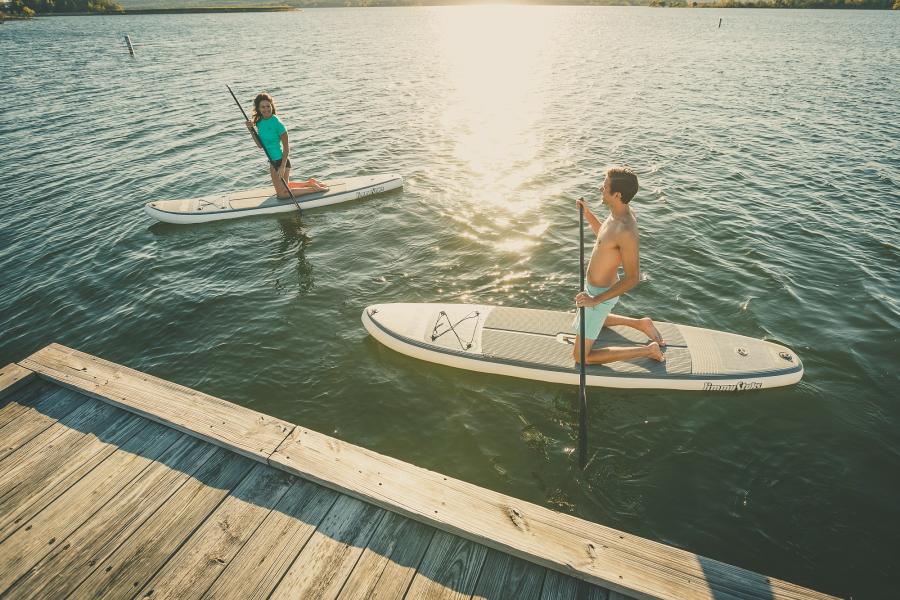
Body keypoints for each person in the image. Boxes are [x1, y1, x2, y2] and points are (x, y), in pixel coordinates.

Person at [573, 167, 665, 365]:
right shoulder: (615, 212)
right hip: (594, 290)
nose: (600, 189)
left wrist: (595, 300)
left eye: (605, 187)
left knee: (581, 357)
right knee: (593, 316)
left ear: (617, 194)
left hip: (600, 293)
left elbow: (633, 278)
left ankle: (648, 350)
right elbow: (604, 239)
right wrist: (588, 214)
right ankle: (641, 324)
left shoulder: (626, 229)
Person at [244, 92, 328, 199]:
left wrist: (282, 166)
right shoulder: (260, 122)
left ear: (272, 106)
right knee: (285, 186)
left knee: (282, 194)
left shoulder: (278, 123)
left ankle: (314, 189)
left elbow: (286, 148)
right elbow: (260, 145)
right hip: (272, 162)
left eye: (268, 106)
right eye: (262, 107)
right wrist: (250, 129)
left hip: (281, 161)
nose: (266, 109)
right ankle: (310, 183)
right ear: (258, 108)